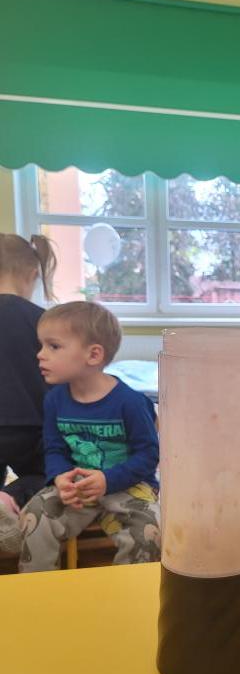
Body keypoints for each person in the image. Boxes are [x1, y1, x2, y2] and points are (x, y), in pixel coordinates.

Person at [18, 301, 161, 572]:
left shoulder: (130, 402)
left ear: (93, 355)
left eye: (53, 346)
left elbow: (148, 455)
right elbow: (54, 449)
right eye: (41, 345)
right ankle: (36, 590)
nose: (40, 355)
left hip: (128, 485)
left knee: (149, 529)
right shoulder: (54, 400)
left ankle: (131, 592)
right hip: (78, 487)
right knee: (34, 515)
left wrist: (108, 480)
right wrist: (60, 477)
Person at [0, 233, 56, 553]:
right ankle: (13, 496)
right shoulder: (44, 322)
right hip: (32, 427)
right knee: (53, 474)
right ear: (32, 274)